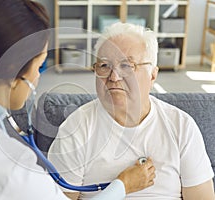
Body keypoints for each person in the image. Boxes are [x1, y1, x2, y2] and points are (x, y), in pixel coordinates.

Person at [0, 1, 156, 199]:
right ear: (12, 73)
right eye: (40, 66)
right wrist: (123, 185)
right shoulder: (12, 166)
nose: (38, 78)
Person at [48, 22, 215, 200]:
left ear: (152, 75)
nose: (113, 77)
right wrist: (121, 186)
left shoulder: (181, 126)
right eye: (104, 66)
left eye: (127, 66)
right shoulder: (76, 129)